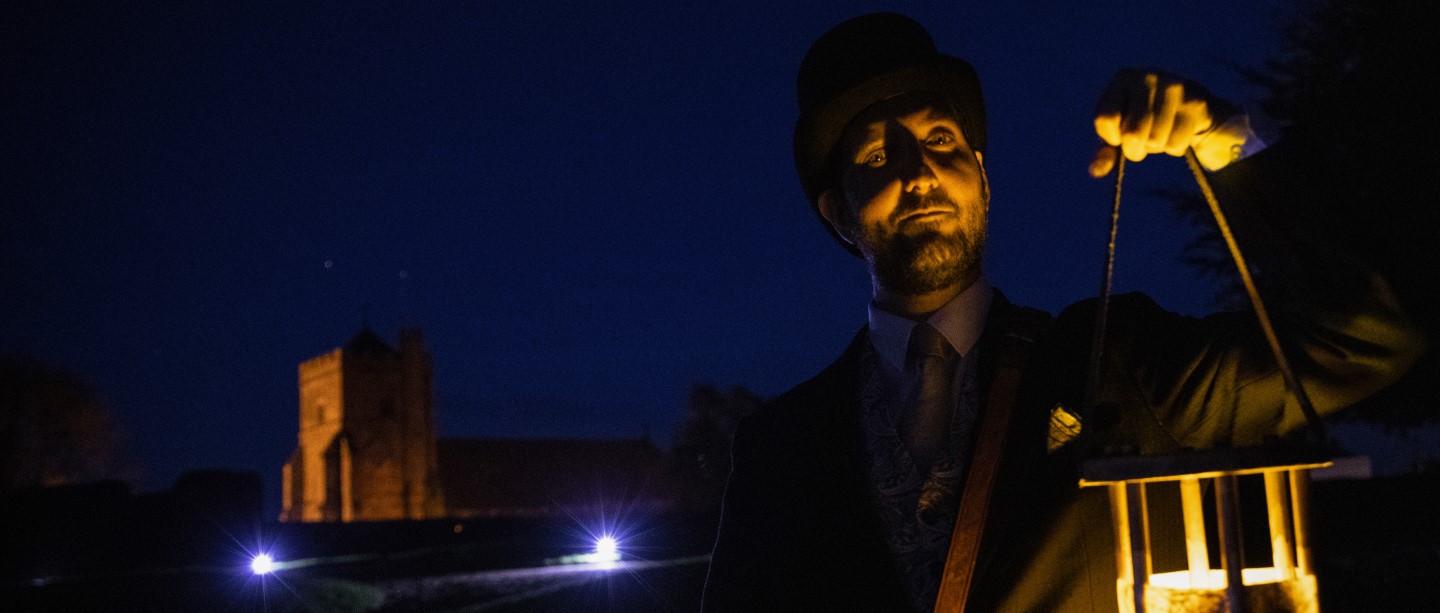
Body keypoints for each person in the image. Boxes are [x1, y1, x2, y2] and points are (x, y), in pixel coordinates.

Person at [701, 12, 1424, 613]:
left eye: (941, 140)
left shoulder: (1118, 364)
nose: (918, 171)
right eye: (876, 157)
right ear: (838, 214)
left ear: (982, 179)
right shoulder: (780, 450)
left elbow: (1363, 338)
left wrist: (1225, 137)